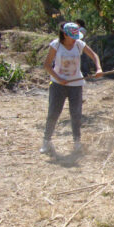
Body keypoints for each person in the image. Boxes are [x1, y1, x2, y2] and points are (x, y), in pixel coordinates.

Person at [40, 22, 103, 155]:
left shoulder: (79, 44)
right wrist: (58, 78)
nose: (75, 39)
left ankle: (77, 143)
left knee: (76, 114)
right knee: (53, 113)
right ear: (64, 35)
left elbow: (94, 55)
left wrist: (99, 68)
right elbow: (47, 65)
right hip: (58, 85)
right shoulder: (56, 45)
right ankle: (46, 142)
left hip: (76, 84)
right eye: (72, 36)